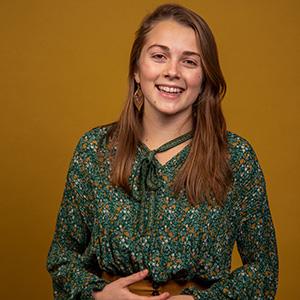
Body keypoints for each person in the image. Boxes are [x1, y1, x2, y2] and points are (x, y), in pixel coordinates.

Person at [47, 3, 278, 300]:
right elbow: (61, 256)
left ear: (205, 76)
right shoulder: (96, 149)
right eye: (159, 56)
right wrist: (97, 295)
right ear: (136, 69)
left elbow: (264, 270)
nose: (172, 72)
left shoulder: (235, 156)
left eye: (190, 62)